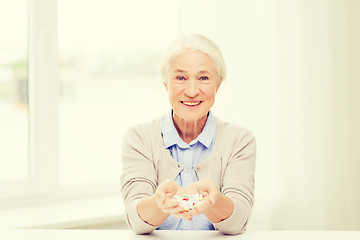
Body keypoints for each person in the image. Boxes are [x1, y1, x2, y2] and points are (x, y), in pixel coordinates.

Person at [121, 33, 256, 235]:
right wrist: (159, 203)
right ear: (165, 83)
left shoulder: (240, 141)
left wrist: (213, 201)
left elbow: (237, 223)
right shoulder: (139, 138)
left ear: (218, 84)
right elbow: (136, 221)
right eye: (181, 77)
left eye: (203, 78)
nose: (192, 91)